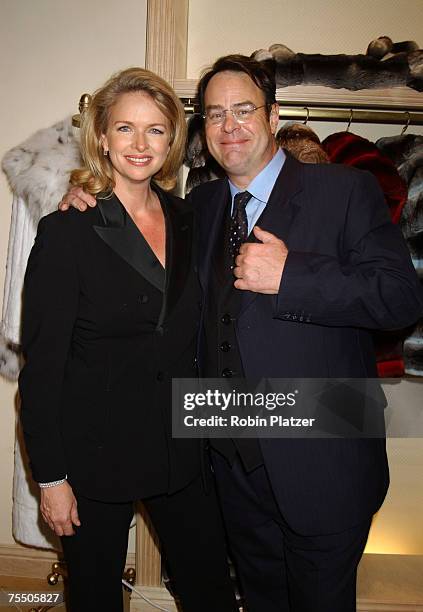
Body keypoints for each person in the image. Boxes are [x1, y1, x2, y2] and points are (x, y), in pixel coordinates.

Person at [60, 56, 423, 612]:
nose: (229, 126)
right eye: (214, 114)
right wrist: (86, 202)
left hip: (324, 453)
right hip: (229, 462)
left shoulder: (345, 189)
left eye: (244, 110)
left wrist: (293, 276)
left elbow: (402, 299)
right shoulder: (197, 207)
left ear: (274, 115)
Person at [19, 67, 237, 612]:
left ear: (173, 139)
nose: (140, 145)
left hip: (182, 450)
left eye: (156, 130)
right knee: (95, 598)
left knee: (210, 590)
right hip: (94, 458)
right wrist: (51, 479)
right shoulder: (67, 230)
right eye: (125, 129)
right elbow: (41, 369)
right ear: (102, 136)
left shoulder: (189, 218)